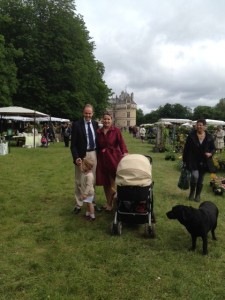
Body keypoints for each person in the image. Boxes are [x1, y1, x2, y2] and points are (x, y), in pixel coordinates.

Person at [96, 112, 128, 211]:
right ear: (102, 120)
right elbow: (97, 146)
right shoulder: (98, 132)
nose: (106, 121)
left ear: (111, 120)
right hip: (102, 159)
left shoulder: (116, 131)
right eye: (105, 119)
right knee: (105, 182)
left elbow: (121, 143)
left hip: (113, 158)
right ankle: (108, 202)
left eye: (108, 119)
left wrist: (125, 152)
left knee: (114, 181)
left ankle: (115, 203)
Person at [70, 104, 99, 214]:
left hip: (93, 154)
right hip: (82, 156)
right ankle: (79, 204)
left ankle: (92, 202)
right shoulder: (77, 125)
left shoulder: (95, 124)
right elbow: (73, 145)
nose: (88, 115)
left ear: (92, 114)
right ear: (83, 113)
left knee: (92, 179)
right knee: (79, 180)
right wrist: (76, 157)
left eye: (89, 113)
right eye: (86, 113)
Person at [183, 119, 216, 202]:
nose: (199, 126)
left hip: (204, 161)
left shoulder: (209, 136)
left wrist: (210, 154)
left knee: (200, 179)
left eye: (201, 125)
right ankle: (192, 193)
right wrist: (184, 160)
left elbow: (213, 148)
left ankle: (197, 195)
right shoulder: (191, 136)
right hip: (193, 160)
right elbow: (186, 149)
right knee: (194, 176)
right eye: (197, 125)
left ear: (205, 126)